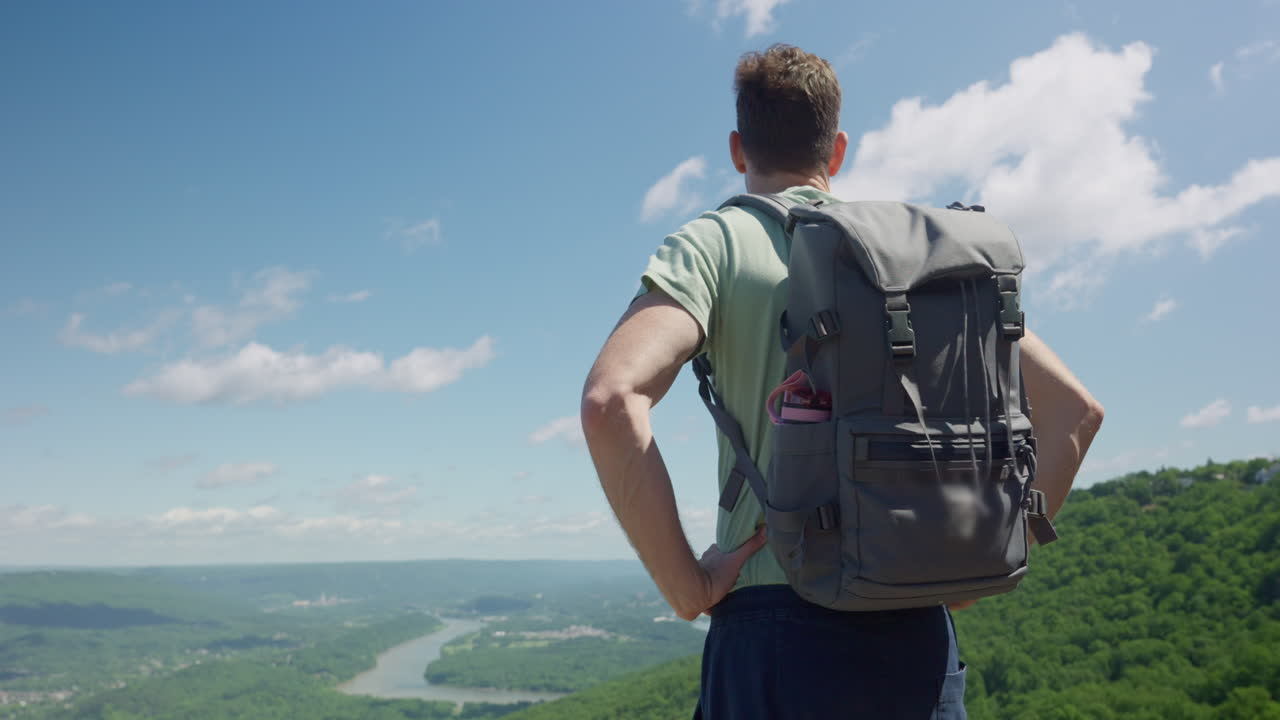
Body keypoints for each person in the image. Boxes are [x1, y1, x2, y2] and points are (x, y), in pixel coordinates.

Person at [580, 44, 1104, 719]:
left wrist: (687, 586)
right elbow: (1076, 413)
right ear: (838, 150)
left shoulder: (715, 243)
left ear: (739, 149)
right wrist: (991, 556)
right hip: (918, 632)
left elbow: (610, 400)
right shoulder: (919, 255)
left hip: (776, 626)